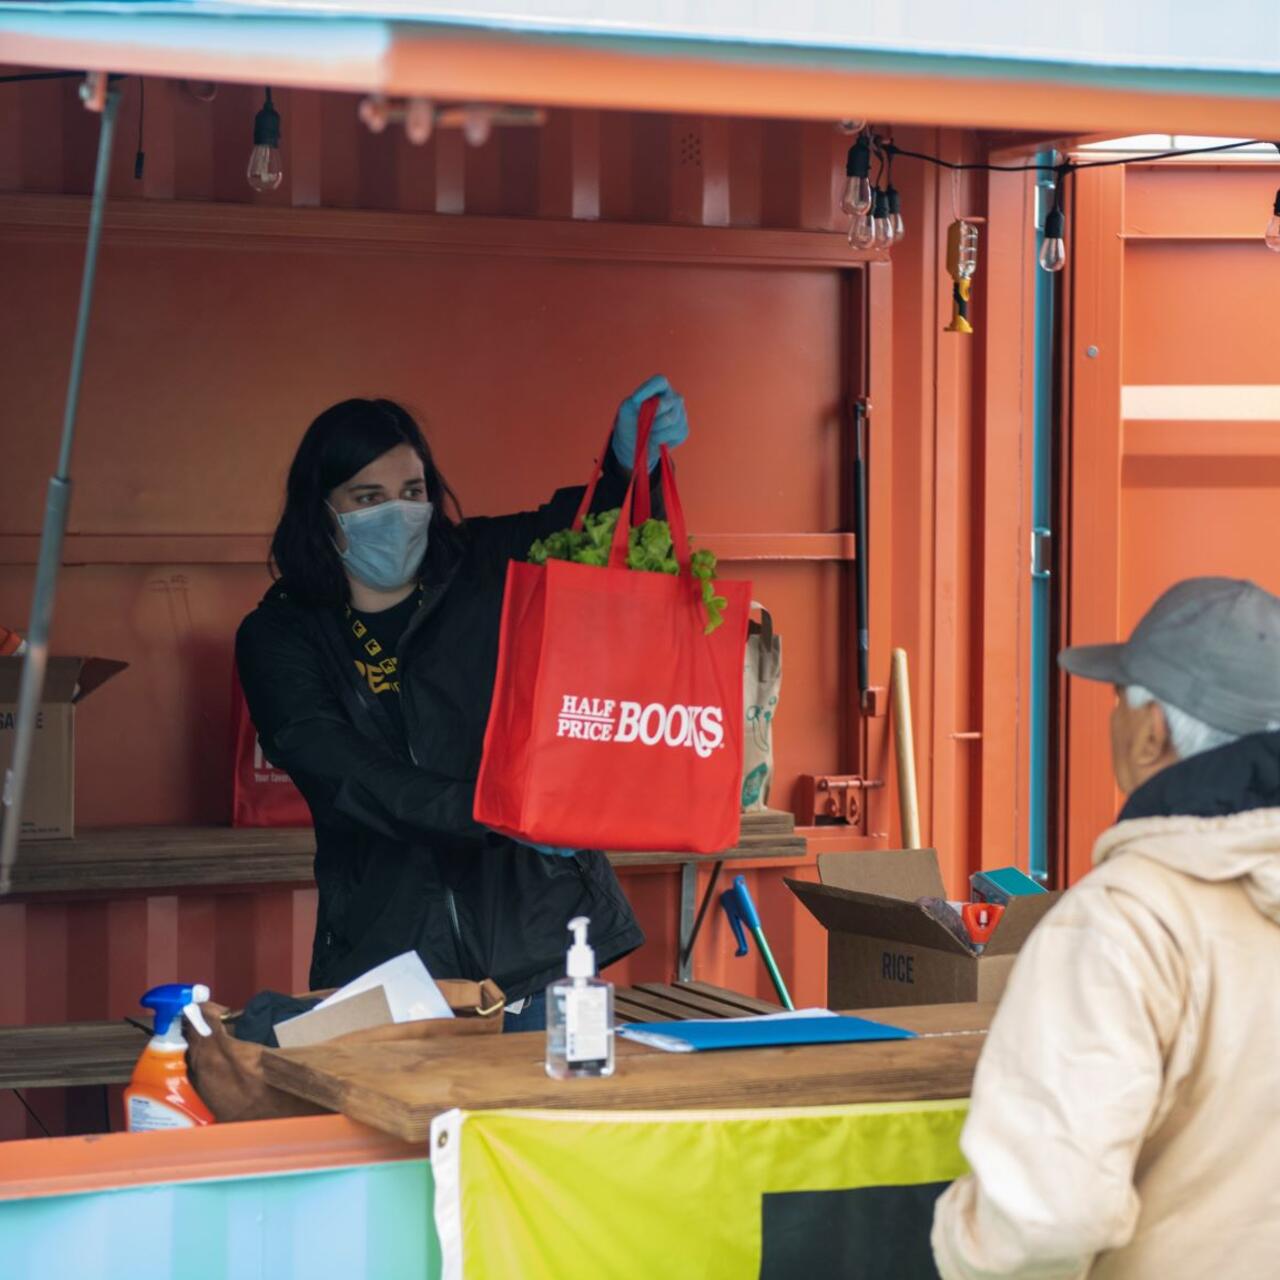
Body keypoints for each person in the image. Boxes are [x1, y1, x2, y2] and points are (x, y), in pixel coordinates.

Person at [236, 376, 689, 1032]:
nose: (398, 511)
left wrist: (627, 466)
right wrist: (494, 812)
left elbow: (587, 534)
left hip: (539, 942)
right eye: (369, 498)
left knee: (548, 1126)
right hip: (387, 960)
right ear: (322, 512)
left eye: (412, 492)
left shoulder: (482, 566)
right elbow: (341, 774)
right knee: (407, 1134)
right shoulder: (280, 635)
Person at [932, 576, 1280, 1279]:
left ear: (1151, 732)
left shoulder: (1121, 922)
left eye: (1118, 697)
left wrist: (952, 1240)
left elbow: (1044, 1220)